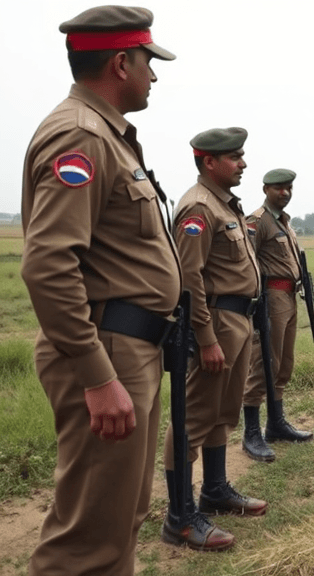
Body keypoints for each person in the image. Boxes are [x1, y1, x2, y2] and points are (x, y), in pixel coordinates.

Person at [21, 7, 182, 574]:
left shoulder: (107, 137)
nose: (153, 75)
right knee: (87, 540)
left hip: (128, 348)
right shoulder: (81, 136)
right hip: (108, 350)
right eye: (147, 62)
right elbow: (49, 264)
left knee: (118, 520)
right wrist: (98, 375)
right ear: (120, 63)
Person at [162, 127, 266, 551]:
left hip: (237, 320)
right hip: (216, 322)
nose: (243, 163)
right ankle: (180, 517)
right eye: (235, 157)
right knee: (193, 416)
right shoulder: (198, 207)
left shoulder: (224, 204)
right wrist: (205, 337)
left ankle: (215, 490)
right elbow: (189, 279)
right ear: (209, 161)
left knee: (222, 412)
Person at [242, 168, 313, 463]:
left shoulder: (284, 221)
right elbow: (246, 262)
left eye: (289, 188)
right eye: (278, 188)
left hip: (289, 297)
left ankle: (276, 424)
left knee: (283, 364)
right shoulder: (257, 221)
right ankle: (251, 433)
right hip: (270, 298)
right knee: (264, 364)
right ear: (265, 190)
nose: (285, 193)